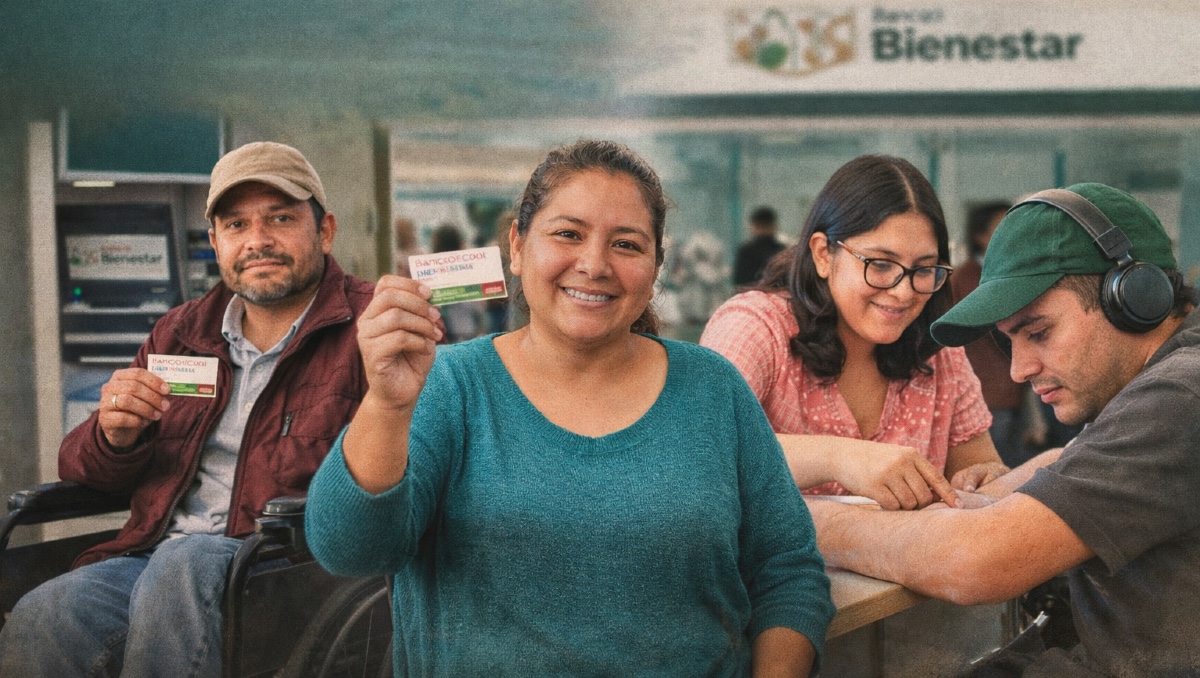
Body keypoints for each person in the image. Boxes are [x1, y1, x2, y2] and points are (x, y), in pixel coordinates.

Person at [304, 139, 835, 676]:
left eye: (626, 245)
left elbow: (787, 571)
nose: (594, 264)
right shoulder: (448, 386)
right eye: (568, 234)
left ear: (656, 268)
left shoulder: (713, 390)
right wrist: (387, 406)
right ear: (517, 245)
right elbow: (350, 550)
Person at [0, 141, 375, 677]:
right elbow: (84, 470)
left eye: (281, 218)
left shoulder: (370, 325)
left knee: (185, 562)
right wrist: (115, 435)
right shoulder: (179, 333)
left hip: (293, 571)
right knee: (48, 611)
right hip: (152, 557)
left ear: (325, 230)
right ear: (217, 241)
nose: (258, 241)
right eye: (236, 225)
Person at [809, 183, 1200, 677]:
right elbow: (1068, 459)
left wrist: (807, 518)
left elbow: (973, 563)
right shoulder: (1163, 382)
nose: (1018, 370)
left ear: (1134, 297)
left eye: (1039, 332)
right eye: (1009, 341)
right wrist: (993, 500)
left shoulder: (1182, 394)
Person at [701, 155, 1008, 511]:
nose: (904, 292)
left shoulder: (937, 352)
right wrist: (837, 457)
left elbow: (978, 470)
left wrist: (985, 478)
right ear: (822, 254)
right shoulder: (756, 327)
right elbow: (698, 451)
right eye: (880, 265)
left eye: (924, 269)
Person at [952, 201, 1035, 467]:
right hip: (988, 399)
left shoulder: (1006, 276)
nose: (1012, 237)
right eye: (1002, 229)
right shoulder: (966, 279)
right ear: (980, 236)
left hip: (1013, 393)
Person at [733, 205, 787, 288]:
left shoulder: (746, 251)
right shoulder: (781, 250)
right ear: (773, 226)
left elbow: (739, 281)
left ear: (755, 226)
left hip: (750, 296)